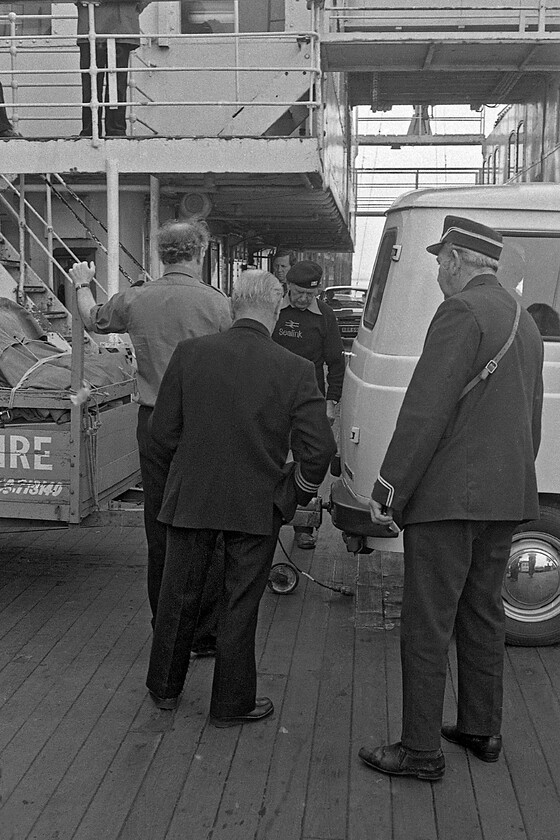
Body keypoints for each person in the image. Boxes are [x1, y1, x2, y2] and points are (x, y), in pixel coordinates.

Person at [359, 215, 544, 781]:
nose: (438, 271)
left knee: (428, 622)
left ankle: (419, 750)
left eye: (441, 260)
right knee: (484, 614)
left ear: (457, 261)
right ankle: (482, 728)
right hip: (504, 497)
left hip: (449, 501)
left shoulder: (460, 312)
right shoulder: (526, 323)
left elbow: (425, 410)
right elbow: (529, 424)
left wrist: (387, 487)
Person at [145, 269, 337, 720]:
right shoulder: (294, 369)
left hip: (192, 497)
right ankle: (232, 703)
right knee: (240, 601)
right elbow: (321, 449)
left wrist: (191, 467)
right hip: (258, 501)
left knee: (178, 595)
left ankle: (165, 689)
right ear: (274, 310)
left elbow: (161, 432)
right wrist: (294, 492)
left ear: (234, 306)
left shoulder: (190, 354)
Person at [68, 219, 232, 655]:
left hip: (156, 422)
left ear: (162, 255)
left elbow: (91, 320)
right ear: (200, 253)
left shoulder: (137, 298)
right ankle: (205, 632)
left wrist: (83, 282)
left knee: (160, 524)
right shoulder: (220, 305)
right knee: (209, 525)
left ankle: (167, 628)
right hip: (206, 424)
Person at [272, 260, 345, 549]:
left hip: (309, 401)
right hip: (273, 399)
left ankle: (304, 526)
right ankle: (268, 518)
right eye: (299, 293)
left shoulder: (325, 316)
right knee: (270, 460)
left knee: (310, 461)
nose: (304, 299)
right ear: (287, 287)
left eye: (310, 295)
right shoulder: (273, 310)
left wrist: (332, 401)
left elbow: (336, 363)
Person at [76, 0, 151, 137]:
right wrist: (134, 7)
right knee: (112, 85)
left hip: (95, 24)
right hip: (118, 25)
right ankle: (114, 130)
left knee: (95, 84)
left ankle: (91, 130)